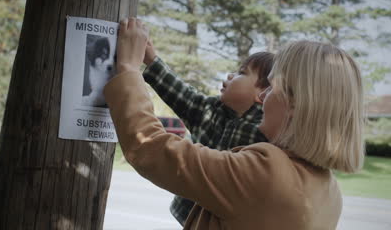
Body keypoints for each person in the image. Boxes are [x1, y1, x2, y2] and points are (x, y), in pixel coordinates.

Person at [105, 18, 365, 229]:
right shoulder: (329, 192)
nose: (263, 98)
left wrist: (128, 69)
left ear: (297, 102)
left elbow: (152, 151)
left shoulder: (267, 175)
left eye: (272, 88)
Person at [142, 37, 274, 225]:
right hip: (191, 217)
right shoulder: (212, 111)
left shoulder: (267, 129)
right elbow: (182, 95)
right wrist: (150, 59)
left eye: (241, 73)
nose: (230, 75)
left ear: (263, 94)